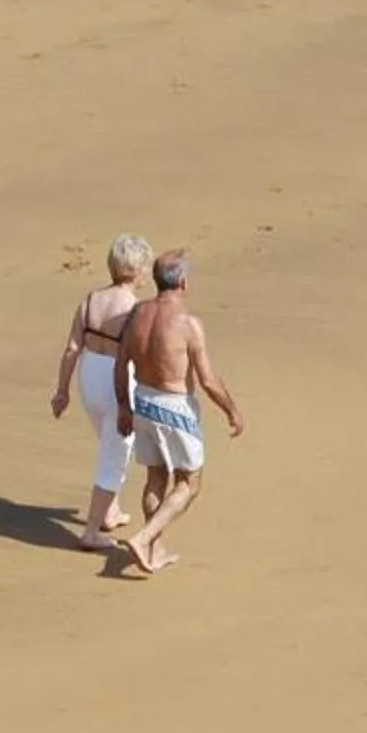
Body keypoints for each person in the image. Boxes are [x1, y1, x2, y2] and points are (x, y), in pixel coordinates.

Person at [109, 248, 243, 578]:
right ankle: (144, 539)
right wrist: (232, 411)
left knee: (156, 475)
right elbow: (208, 380)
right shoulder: (187, 324)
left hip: (142, 399)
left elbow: (120, 362)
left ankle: (154, 548)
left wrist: (124, 406)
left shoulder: (138, 313)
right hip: (175, 406)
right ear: (182, 282)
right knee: (189, 483)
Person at [49, 233, 154, 551]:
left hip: (89, 377)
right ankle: (91, 531)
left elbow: (71, 349)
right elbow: (140, 356)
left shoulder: (91, 300)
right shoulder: (134, 309)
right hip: (117, 379)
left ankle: (110, 510)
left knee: (108, 439)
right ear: (137, 272)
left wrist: (62, 391)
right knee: (116, 453)